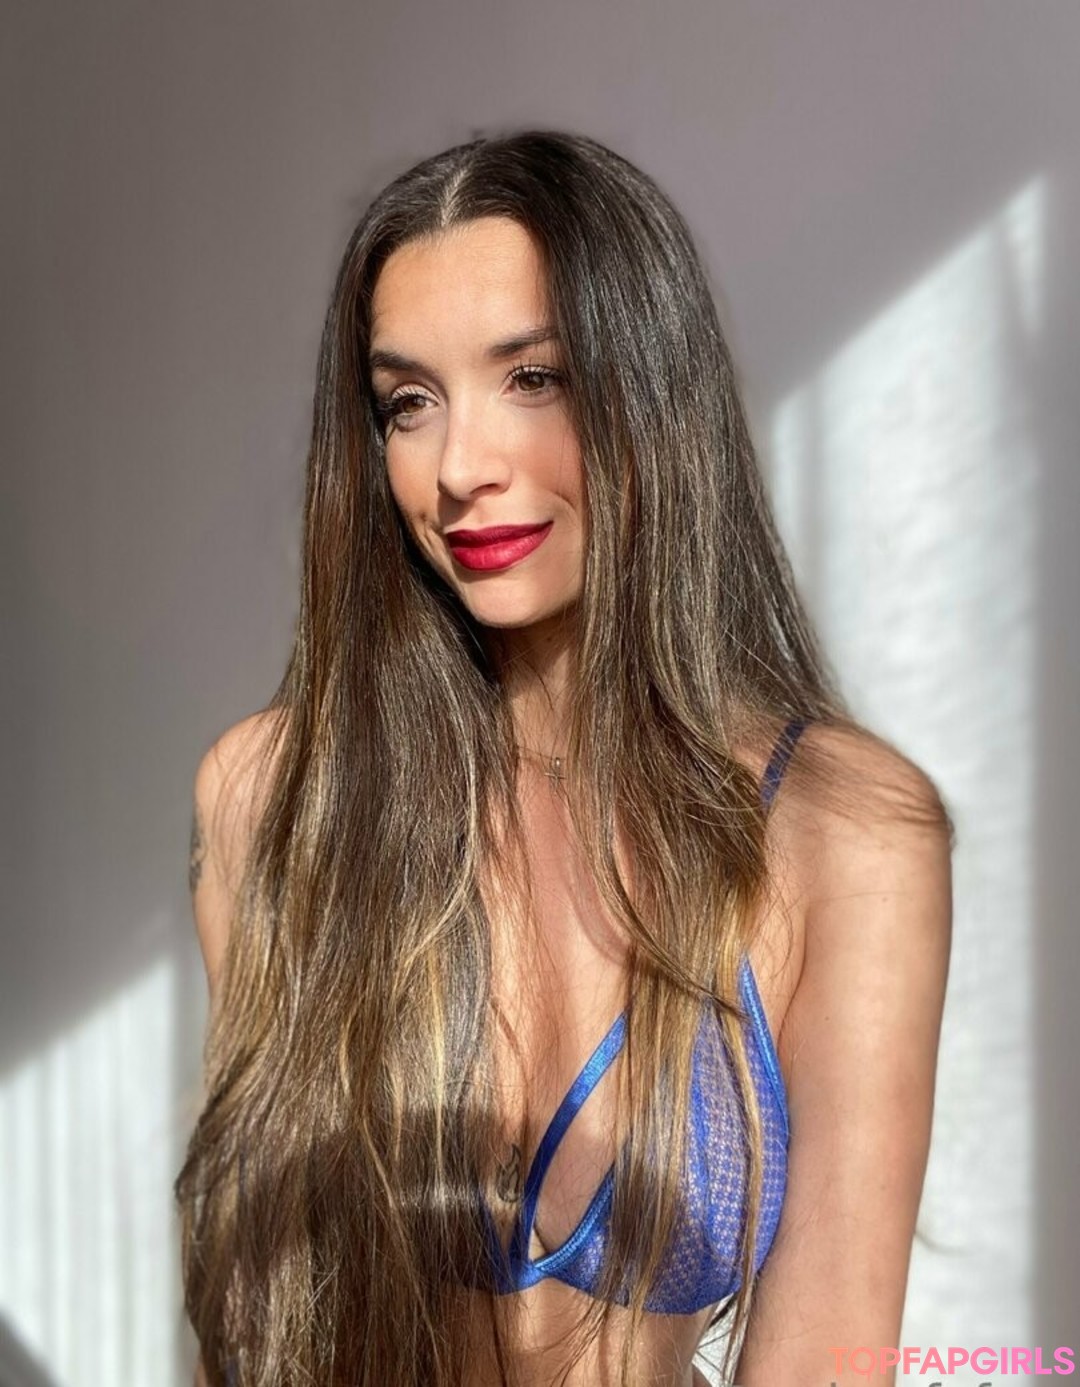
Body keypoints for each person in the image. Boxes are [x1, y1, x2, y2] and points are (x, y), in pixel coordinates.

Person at [175, 130, 954, 1387]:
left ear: (652, 393)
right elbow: (256, 1322)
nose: (460, 467)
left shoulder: (843, 831)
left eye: (532, 377)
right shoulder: (276, 800)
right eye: (408, 403)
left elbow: (830, 1358)